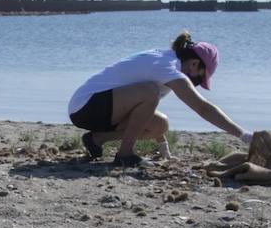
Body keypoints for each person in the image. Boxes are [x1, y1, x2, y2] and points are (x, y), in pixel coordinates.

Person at [67, 31, 253, 168]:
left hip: (99, 109)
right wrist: (243, 135)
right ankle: (125, 155)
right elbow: (203, 108)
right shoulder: (168, 67)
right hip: (86, 106)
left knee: (160, 124)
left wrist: (162, 145)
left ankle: (96, 139)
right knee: (149, 92)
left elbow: (142, 112)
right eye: (200, 76)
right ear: (195, 63)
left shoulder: (167, 61)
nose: (196, 82)